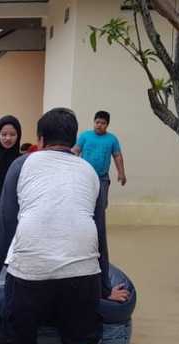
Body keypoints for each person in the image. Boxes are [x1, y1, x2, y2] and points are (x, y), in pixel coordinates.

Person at [0, 108, 107, 344]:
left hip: (30, 275)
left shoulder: (21, 165)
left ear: (40, 140)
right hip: (84, 277)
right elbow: (99, 232)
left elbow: (5, 225)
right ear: (74, 139)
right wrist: (106, 287)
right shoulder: (89, 171)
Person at [72, 110, 127, 301]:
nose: (99, 125)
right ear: (93, 122)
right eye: (97, 122)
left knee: (100, 207)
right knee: (83, 206)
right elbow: (75, 151)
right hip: (84, 177)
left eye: (103, 123)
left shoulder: (112, 139)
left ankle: (98, 228)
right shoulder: (85, 136)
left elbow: (117, 156)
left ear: (107, 125)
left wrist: (121, 173)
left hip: (102, 178)